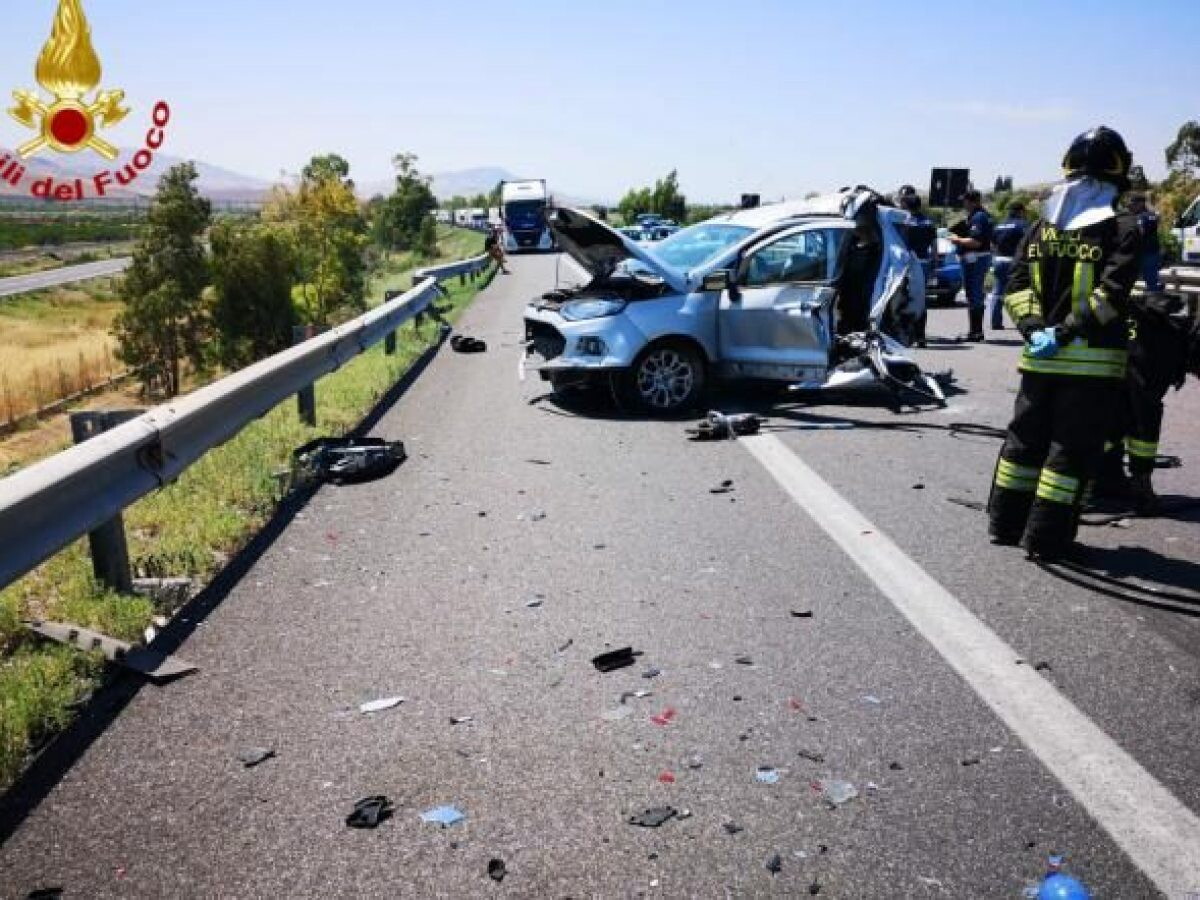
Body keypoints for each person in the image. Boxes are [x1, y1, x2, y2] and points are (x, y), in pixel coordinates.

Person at [987, 126, 1140, 560]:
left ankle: (1004, 523)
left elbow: (1014, 284)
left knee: (1023, 445)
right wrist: (1065, 331)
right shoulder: (1122, 226)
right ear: (1119, 171)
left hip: (1039, 362)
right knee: (1069, 455)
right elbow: (1111, 295)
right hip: (1090, 365)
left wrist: (1035, 329)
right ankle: (1047, 539)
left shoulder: (1041, 226)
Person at [1095, 293, 1196, 512]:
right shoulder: (1162, 349)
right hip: (1123, 365)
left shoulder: (1165, 325)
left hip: (1108, 364)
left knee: (1115, 418)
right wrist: (1143, 477)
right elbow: (1145, 419)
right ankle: (1138, 485)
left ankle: (1106, 479)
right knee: (1140, 420)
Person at [949, 188, 994, 342]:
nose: (964, 203)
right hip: (975, 259)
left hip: (975, 259)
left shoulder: (979, 217)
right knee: (973, 295)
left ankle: (976, 332)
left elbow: (976, 242)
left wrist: (956, 239)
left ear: (973, 201)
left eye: (966, 201)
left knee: (974, 295)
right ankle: (974, 332)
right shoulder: (978, 215)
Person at [895, 186, 937, 347]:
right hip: (924, 263)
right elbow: (934, 247)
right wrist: (934, 266)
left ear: (906, 205)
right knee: (921, 301)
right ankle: (921, 336)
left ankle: (906, 335)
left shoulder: (904, 222)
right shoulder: (928, 222)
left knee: (904, 299)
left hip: (907, 265)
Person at [988, 201, 1028, 331]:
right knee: (1021, 291)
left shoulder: (999, 226)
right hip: (1015, 261)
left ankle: (995, 321)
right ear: (1020, 211)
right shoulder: (1022, 225)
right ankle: (1024, 321)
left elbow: (992, 245)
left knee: (998, 291)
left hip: (998, 260)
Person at [1127, 193, 1163, 291]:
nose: (1130, 208)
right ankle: (1156, 295)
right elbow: (1158, 216)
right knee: (1152, 280)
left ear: (1141, 204)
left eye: (1133, 205)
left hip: (1145, 254)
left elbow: (1140, 233)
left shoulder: (1140, 217)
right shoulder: (1152, 215)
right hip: (1153, 252)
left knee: (1150, 281)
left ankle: (1154, 300)